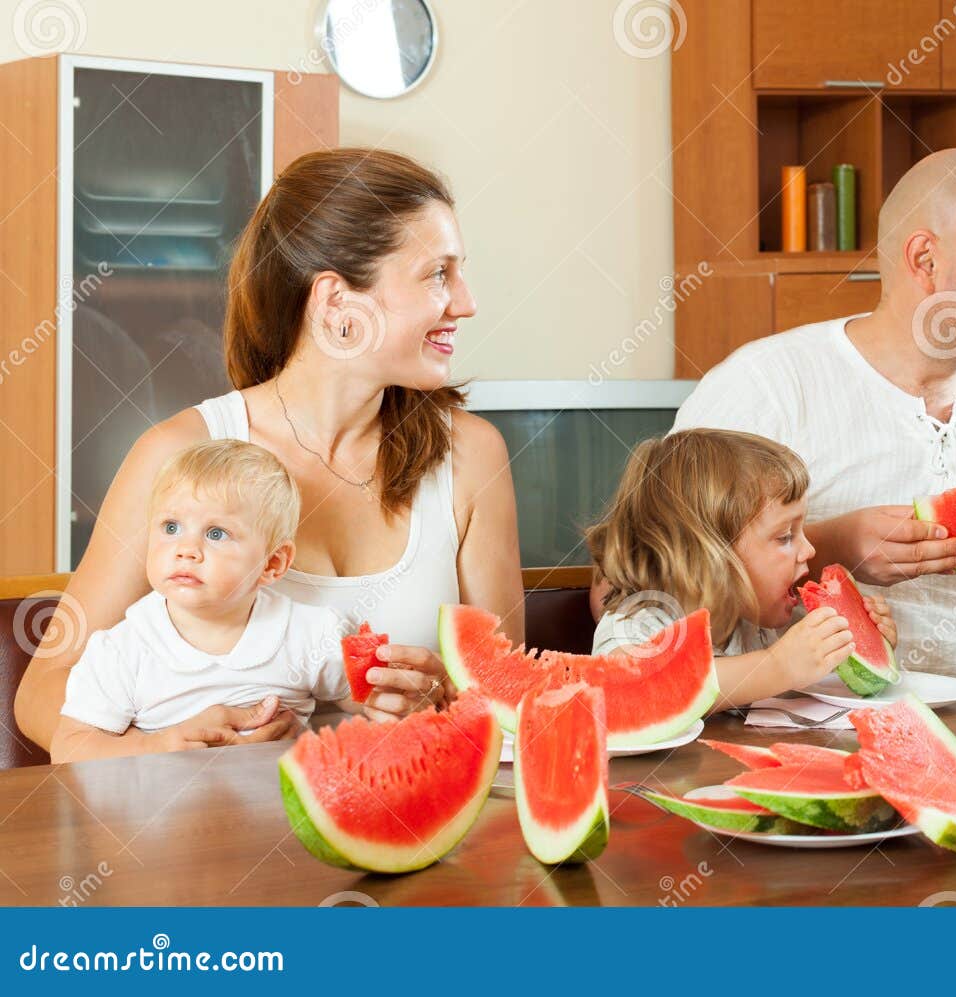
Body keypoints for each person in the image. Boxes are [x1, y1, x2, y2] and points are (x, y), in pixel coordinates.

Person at [16, 148, 525, 749]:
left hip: (411, 827)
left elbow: (509, 697)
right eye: (438, 274)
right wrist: (153, 749)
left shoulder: (471, 457)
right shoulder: (178, 453)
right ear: (338, 303)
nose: (465, 302)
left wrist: (447, 700)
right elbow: (44, 689)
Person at [672, 149, 956, 674]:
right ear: (926, 260)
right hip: (803, 741)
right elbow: (628, 596)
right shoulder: (764, 388)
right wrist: (832, 545)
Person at [52, 441, 354, 762]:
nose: (186, 549)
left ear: (272, 564)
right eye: (171, 527)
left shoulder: (310, 632)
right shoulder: (121, 650)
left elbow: (379, 706)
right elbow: (68, 748)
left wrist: (388, 684)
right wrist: (156, 746)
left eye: (216, 533)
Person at [586, 429, 896, 708]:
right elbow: (629, 688)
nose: (809, 550)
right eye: (785, 536)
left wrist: (853, 649)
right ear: (708, 553)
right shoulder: (640, 620)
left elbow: (796, 684)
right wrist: (776, 667)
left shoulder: (749, 622)